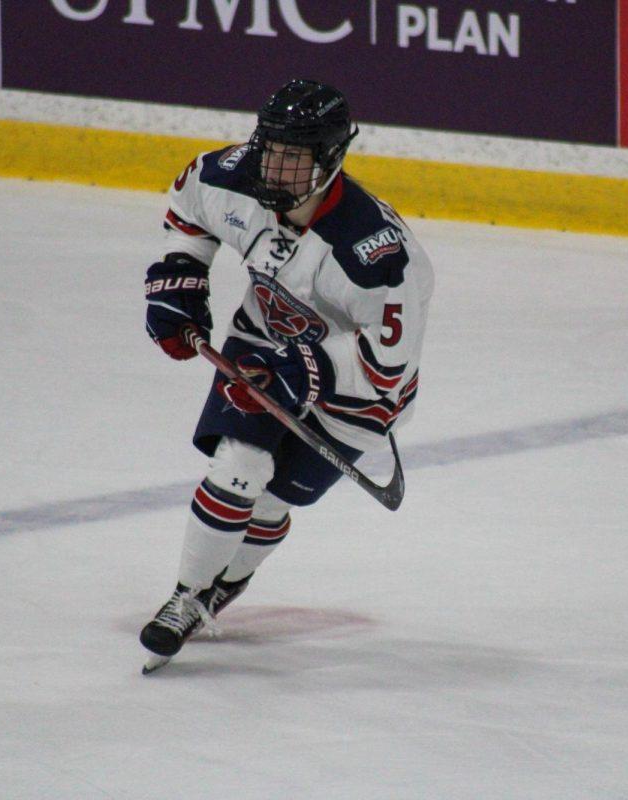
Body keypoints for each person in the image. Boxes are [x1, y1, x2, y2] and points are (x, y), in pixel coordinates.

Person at [138, 79, 433, 670]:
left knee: (272, 503)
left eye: (293, 158)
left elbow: (387, 373)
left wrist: (308, 371)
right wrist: (181, 276)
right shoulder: (233, 175)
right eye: (269, 149)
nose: (273, 168)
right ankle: (186, 594)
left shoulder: (378, 257)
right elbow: (189, 209)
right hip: (263, 340)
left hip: (358, 395)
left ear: (330, 161)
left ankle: (228, 581)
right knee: (238, 467)